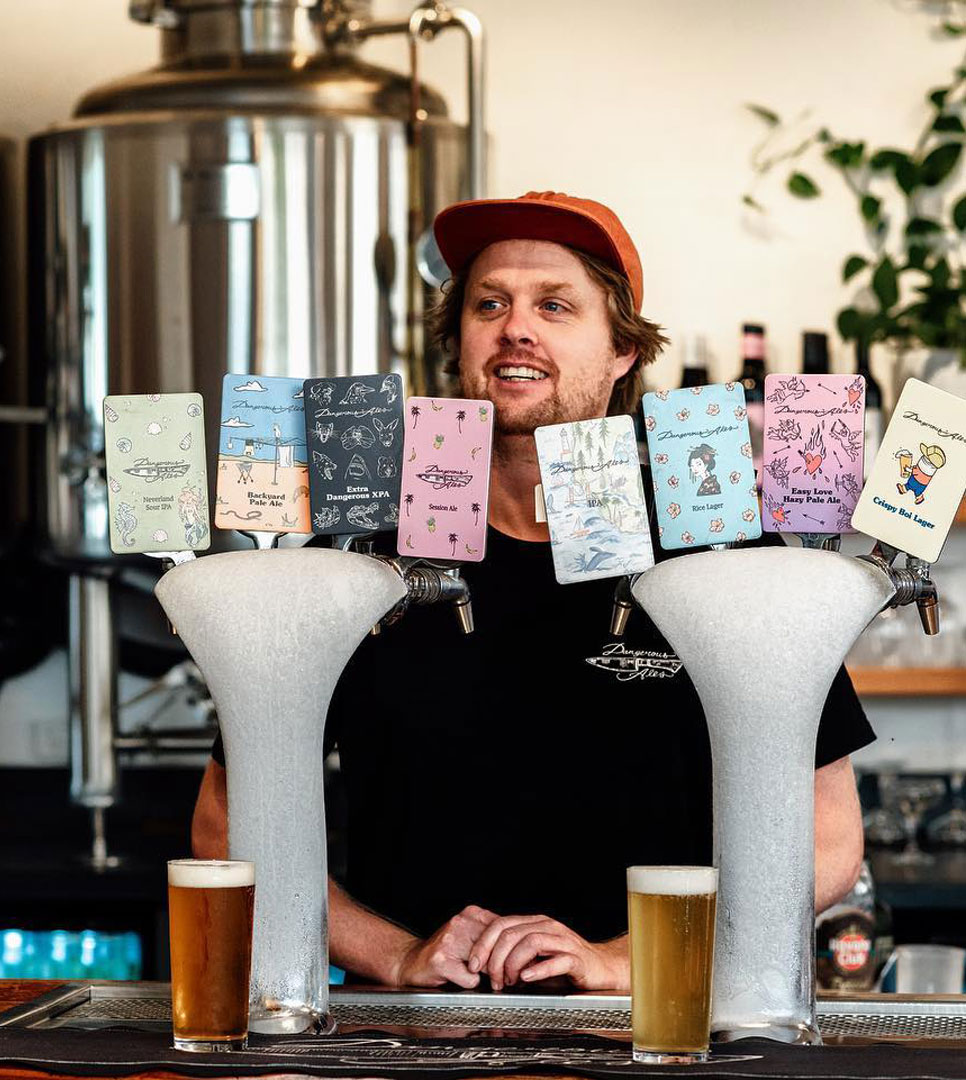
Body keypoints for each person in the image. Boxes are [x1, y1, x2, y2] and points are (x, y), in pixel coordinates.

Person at [191, 191, 871, 994]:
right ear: (457, 342)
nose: (517, 327)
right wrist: (394, 955)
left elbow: (829, 837)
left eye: (555, 304)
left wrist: (626, 962)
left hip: (665, 1029)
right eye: (489, 304)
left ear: (623, 351)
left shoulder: (718, 547)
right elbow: (224, 826)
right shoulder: (354, 557)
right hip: (411, 1040)